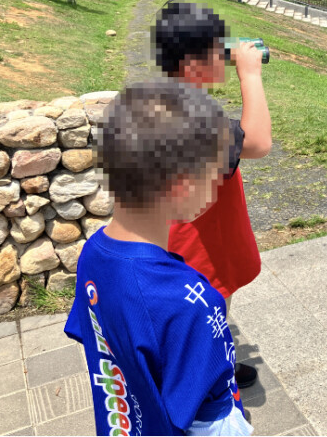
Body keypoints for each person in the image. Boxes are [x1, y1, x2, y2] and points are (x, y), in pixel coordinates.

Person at [64, 81, 253, 436]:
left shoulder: (91, 255)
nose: (220, 184)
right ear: (183, 188)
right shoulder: (192, 300)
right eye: (216, 175)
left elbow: (101, 347)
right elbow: (213, 418)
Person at [151, 1, 271, 388]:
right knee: (203, 316)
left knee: (207, 317)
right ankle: (203, 387)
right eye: (217, 50)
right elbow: (257, 143)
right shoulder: (191, 119)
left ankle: (215, 364)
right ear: (191, 65)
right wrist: (249, 74)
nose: (225, 56)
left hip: (187, 242)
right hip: (197, 253)